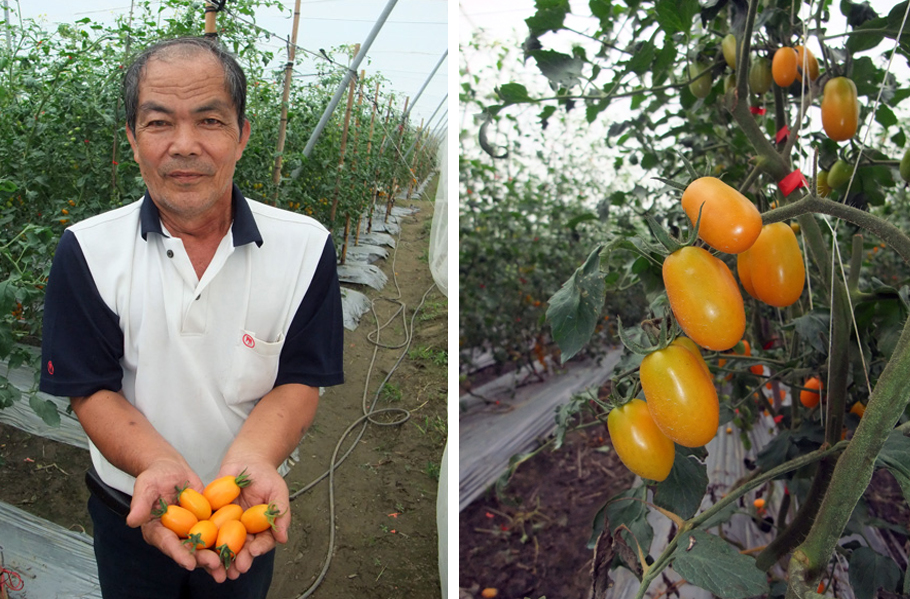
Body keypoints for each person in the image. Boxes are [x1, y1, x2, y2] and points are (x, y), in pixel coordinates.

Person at [39, 36, 344, 598]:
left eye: (209, 120)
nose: (185, 146)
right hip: (132, 504)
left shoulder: (305, 248)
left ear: (242, 134)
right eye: (158, 124)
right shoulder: (88, 250)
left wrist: (251, 463)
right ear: (132, 140)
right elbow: (90, 389)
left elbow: (301, 378)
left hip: (242, 509)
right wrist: (154, 463)